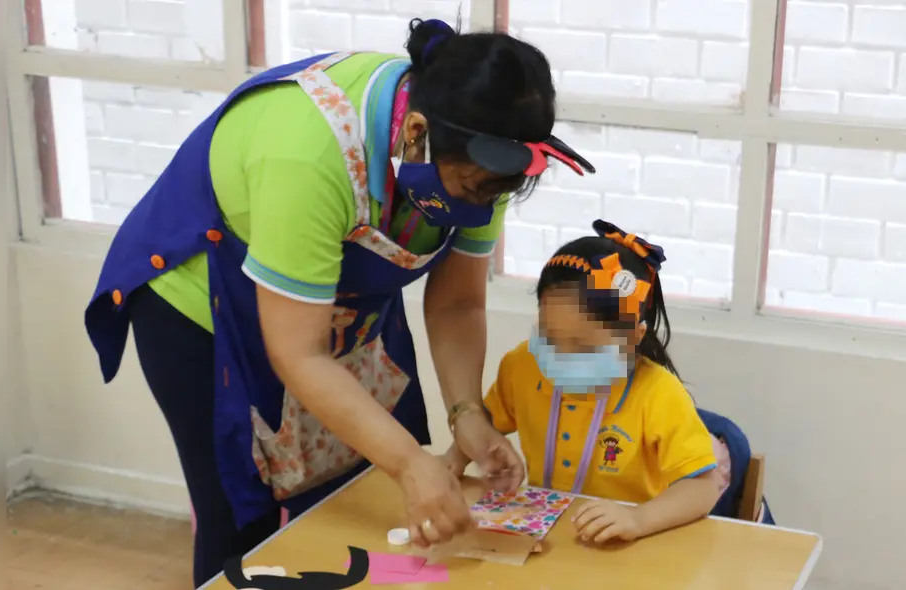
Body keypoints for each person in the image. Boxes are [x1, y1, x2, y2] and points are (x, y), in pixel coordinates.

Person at [83, 17, 595, 586]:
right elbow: (297, 352)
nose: (481, 207)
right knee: (244, 521)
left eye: (492, 194)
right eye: (471, 190)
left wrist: (466, 414)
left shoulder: (487, 158)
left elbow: (456, 306)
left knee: (359, 499)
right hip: (205, 310)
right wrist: (408, 463)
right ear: (415, 133)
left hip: (338, 311)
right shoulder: (309, 152)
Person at [442, 219, 724, 544]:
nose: (561, 355)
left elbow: (703, 487)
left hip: (625, 547)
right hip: (548, 538)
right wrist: (456, 457)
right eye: (549, 337)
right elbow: (485, 423)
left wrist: (638, 518)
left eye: (584, 346)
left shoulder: (659, 394)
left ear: (633, 337)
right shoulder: (523, 366)